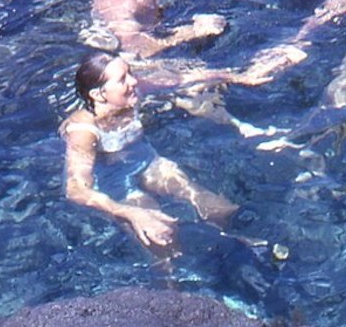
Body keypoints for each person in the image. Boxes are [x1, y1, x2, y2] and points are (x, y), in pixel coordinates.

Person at [90, 0, 296, 136]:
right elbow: (137, 46)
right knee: (191, 78)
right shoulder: (115, 1)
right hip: (129, 60)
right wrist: (191, 31)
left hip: (162, 31)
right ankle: (239, 115)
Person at [61, 51, 237, 253]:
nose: (134, 81)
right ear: (98, 94)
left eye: (130, 72)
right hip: (115, 182)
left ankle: (234, 245)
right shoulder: (83, 131)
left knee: (218, 208)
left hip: (148, 162)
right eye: (122, 79)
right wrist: (129, 212)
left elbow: (180, 80)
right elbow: (75, 189)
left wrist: (236, 76)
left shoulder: (132, 95)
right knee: (162, 238)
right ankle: (172, 282)